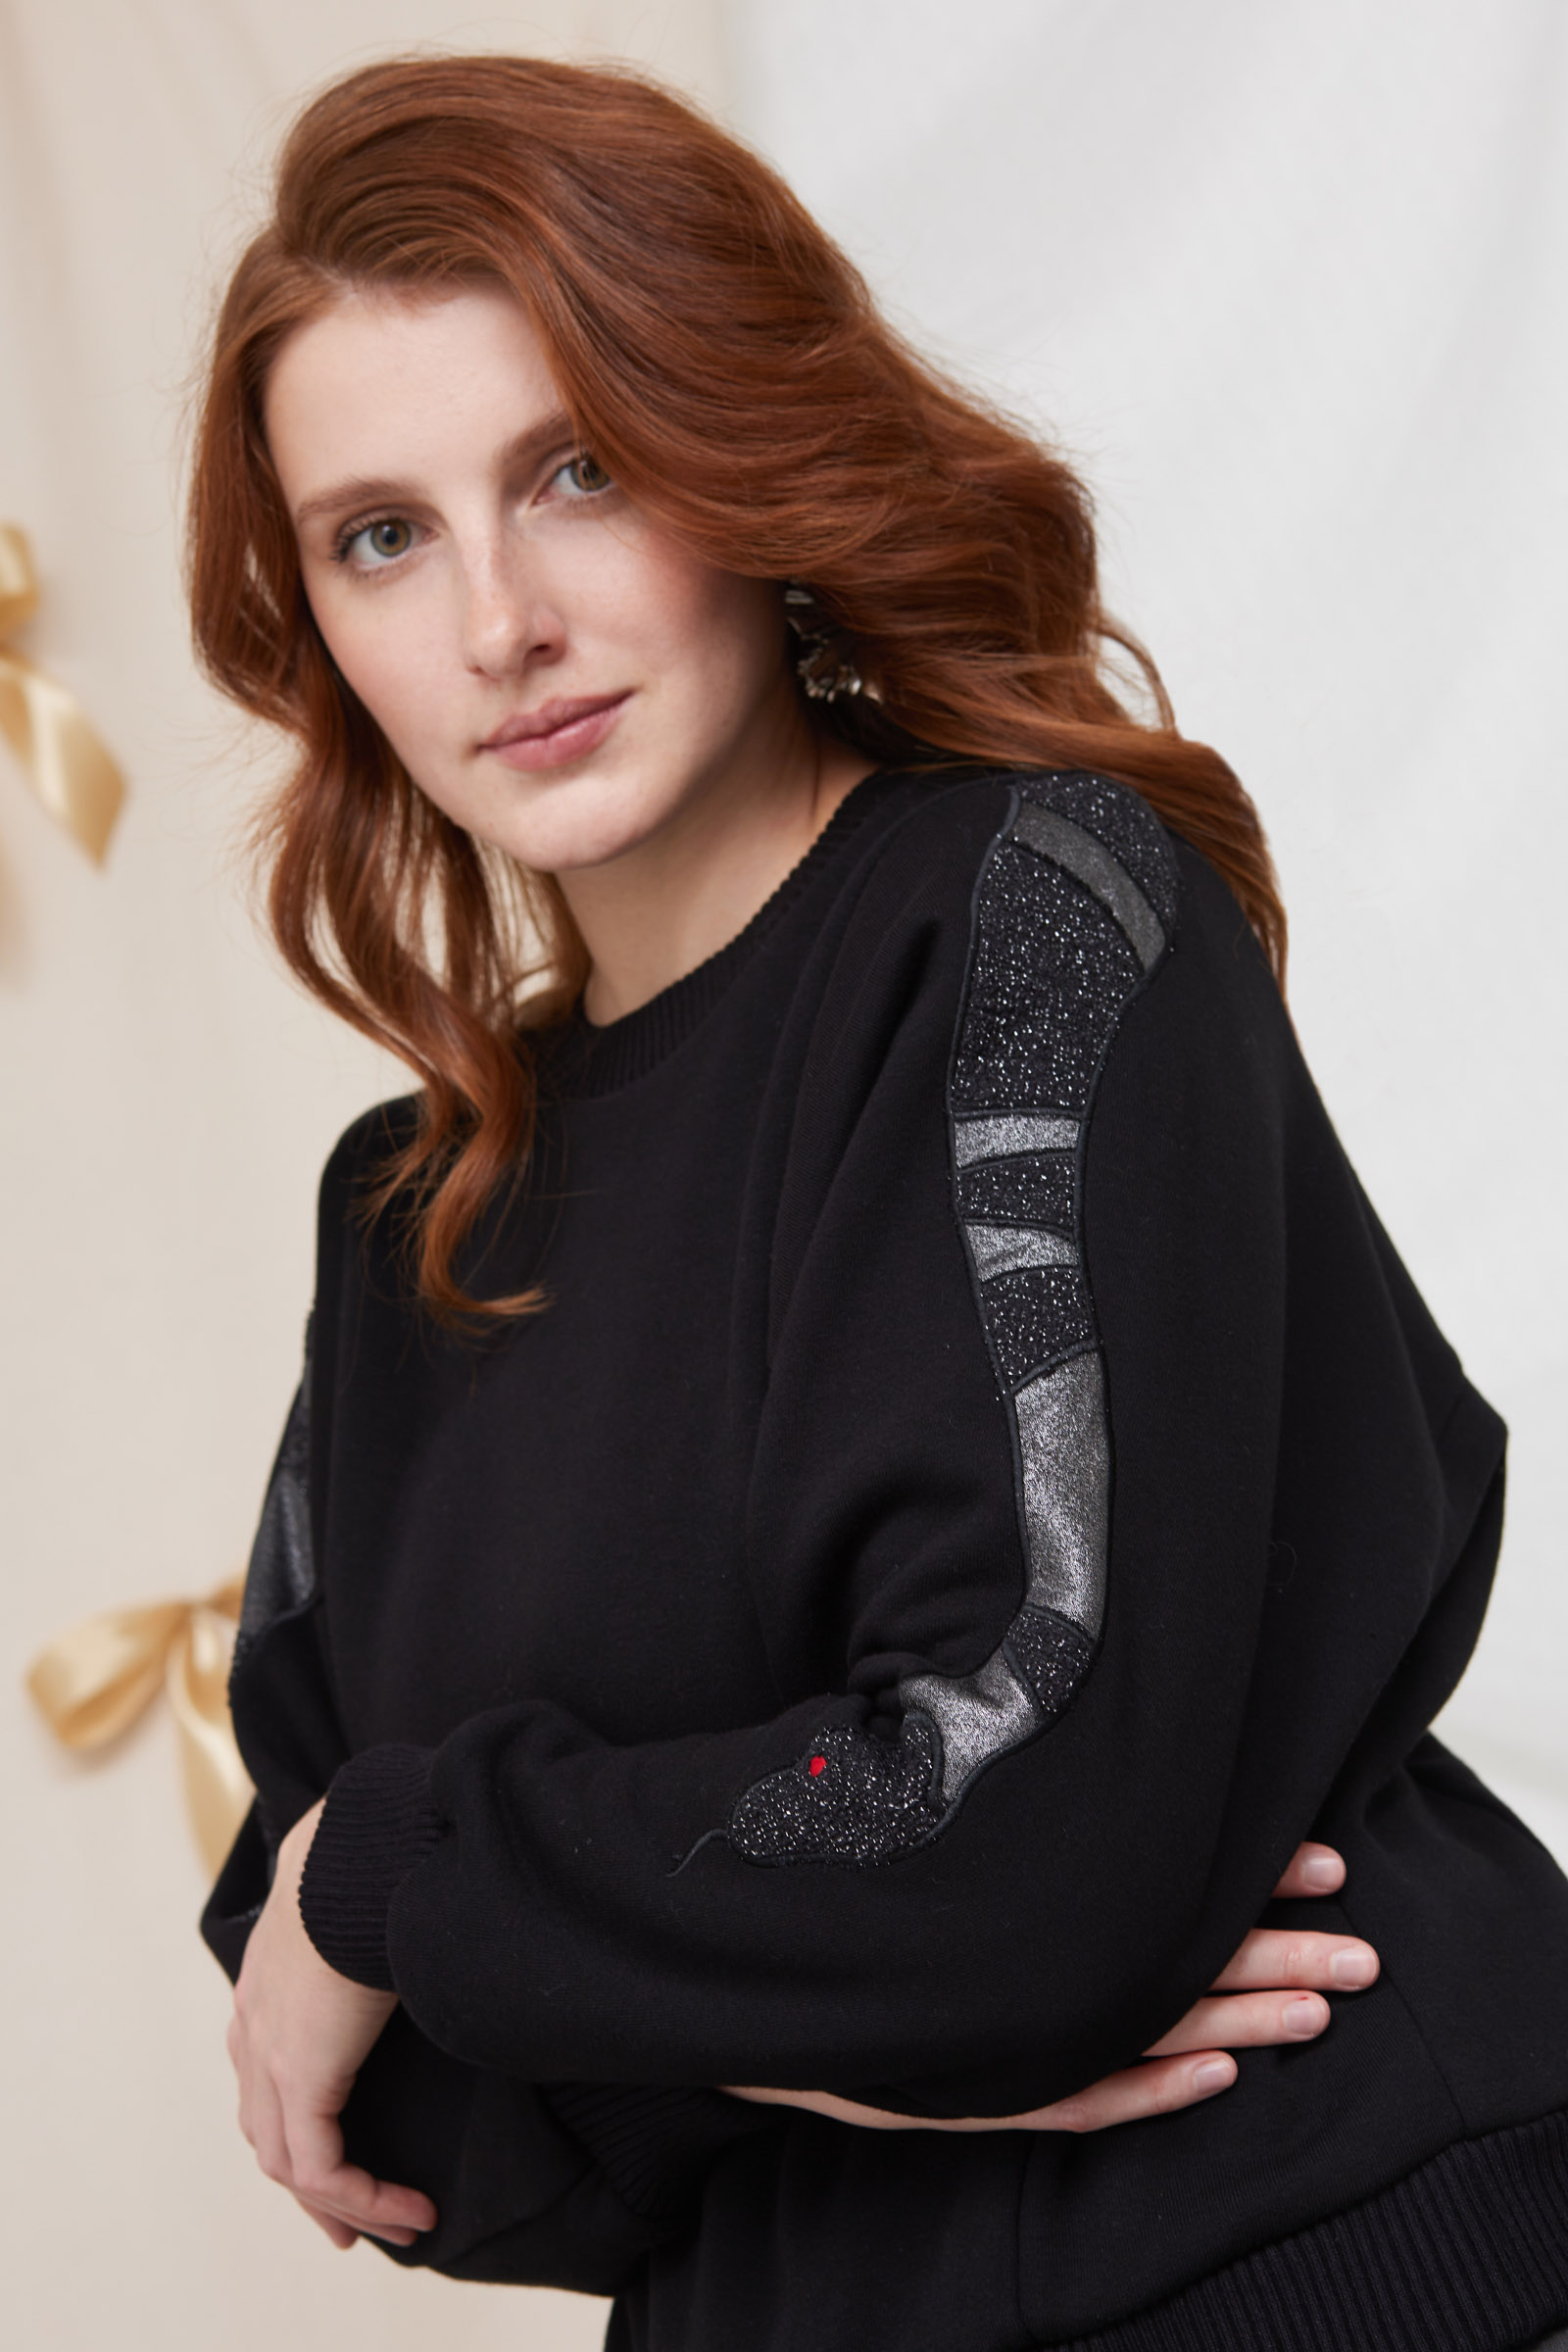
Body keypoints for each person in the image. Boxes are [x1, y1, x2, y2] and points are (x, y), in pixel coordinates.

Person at [192, 52, 1568, 2352]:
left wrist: (420, 1878)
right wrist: (812, 2041)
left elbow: (1022, 1848)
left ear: (741, 447)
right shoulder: (406, 1214)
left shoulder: (1033, 919)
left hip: (1299, 2265)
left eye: (575, 467)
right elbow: (342, 2080)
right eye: (381, 535)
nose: (499, 621)